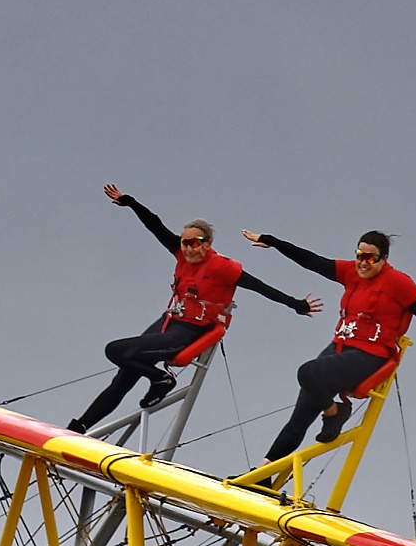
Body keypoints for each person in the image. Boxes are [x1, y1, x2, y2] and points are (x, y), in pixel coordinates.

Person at [68, 186, 323, 434]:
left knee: (115, 350)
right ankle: (79, 427)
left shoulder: (222, 267)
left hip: (190, 331)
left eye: (195, 243)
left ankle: (161, 379)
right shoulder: (180, 253)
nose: (189, 248)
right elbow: (154, 224)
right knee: (123, 377)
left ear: (207, 243)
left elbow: (260, 287)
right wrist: (130, 202)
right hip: (168, 322)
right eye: (185, 242)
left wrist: (296, 305)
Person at [239, 227, 416, 462]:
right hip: (340, 348)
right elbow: (311, 261)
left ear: (384, 258)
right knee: (300, 417)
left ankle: (335, 412)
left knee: (307, 372)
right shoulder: (351, 271)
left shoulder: (398, 282)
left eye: (371, 258)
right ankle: (263, 473)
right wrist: (273, 242)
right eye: (360, 255)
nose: (363, 263)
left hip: (371, 354)